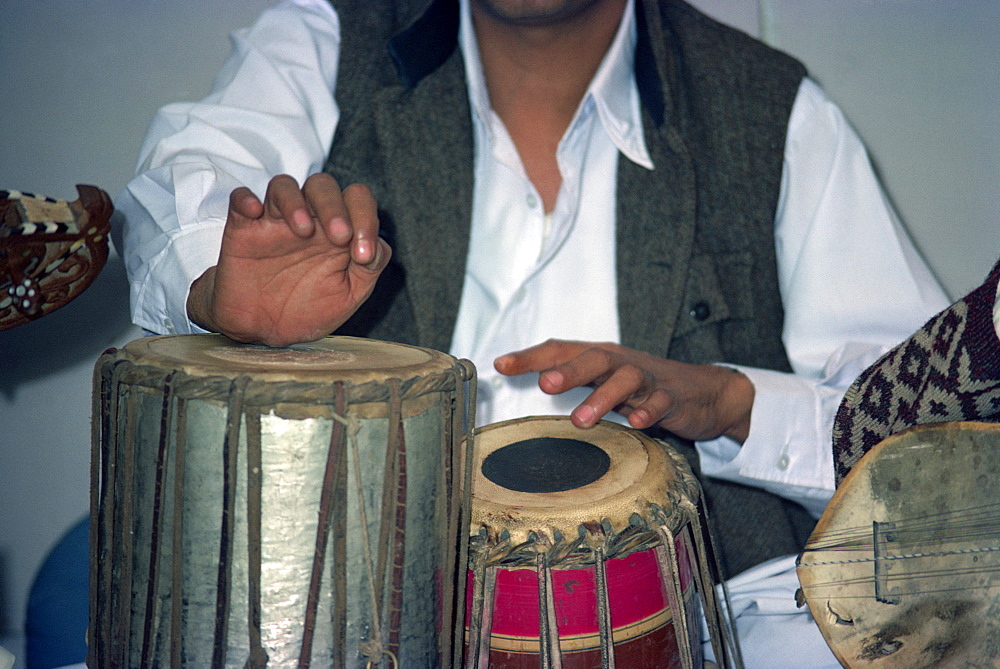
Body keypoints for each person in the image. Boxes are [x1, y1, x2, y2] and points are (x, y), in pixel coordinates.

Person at [117, 0, 949, 664]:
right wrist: (216, 282)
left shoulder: (770, 107)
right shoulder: (331, 37)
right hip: (352, 626)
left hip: (700, 631)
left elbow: (932, 446)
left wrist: (735, 402)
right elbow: (189, 180)